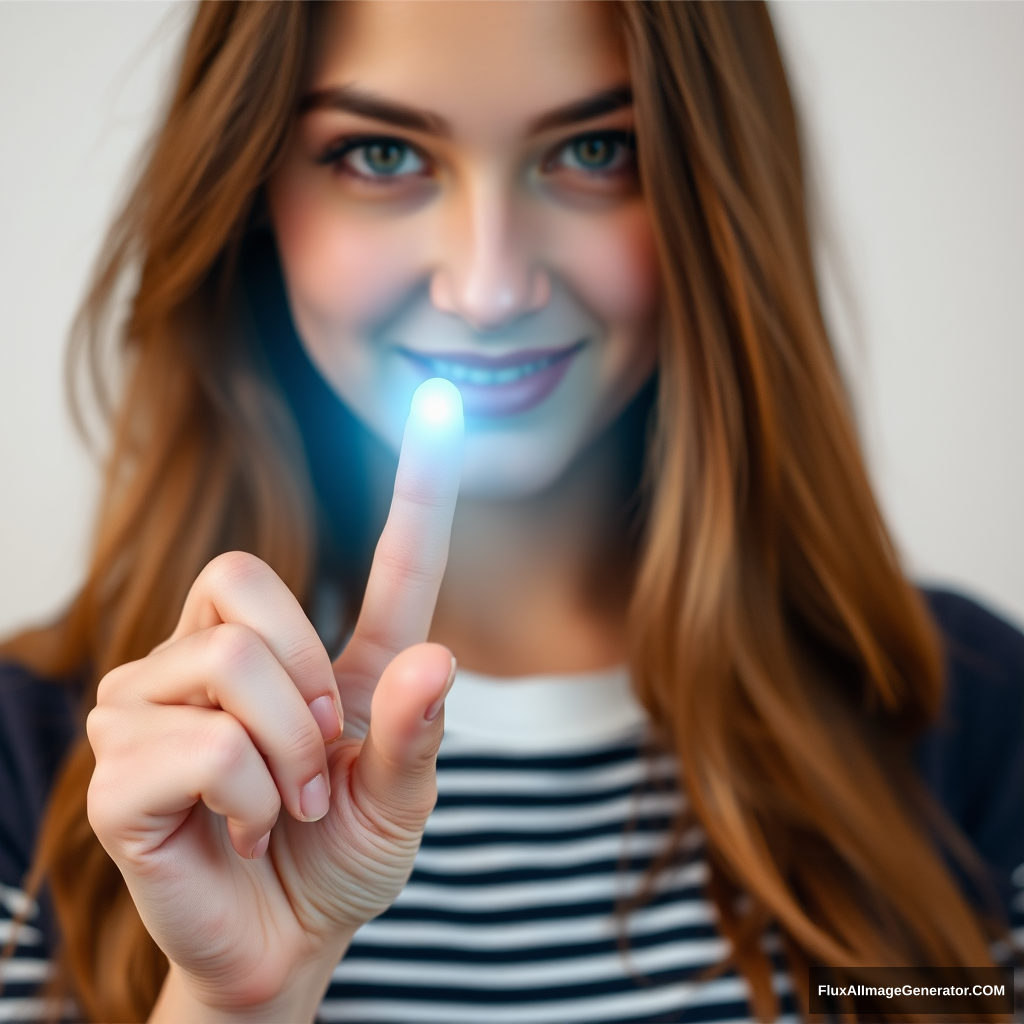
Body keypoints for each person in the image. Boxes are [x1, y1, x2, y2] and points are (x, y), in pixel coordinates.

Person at [0, 2, 1021, 1022]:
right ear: (252, 188)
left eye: (594, 148)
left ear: (712, 189)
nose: (487, 289)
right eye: (382, 154)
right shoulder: (35, 758)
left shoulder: (971, 720)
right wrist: (237, 1003)